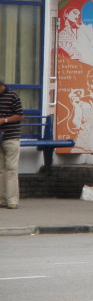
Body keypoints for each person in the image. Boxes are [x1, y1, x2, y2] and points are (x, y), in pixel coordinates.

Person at [0, 77, 24, 209]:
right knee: (1, 170)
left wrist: (4, 120)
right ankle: (2, 199)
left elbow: (20, 115)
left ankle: (12, 200)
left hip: (11, 137)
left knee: (11, 169)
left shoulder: (12, 95)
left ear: (2, 86)